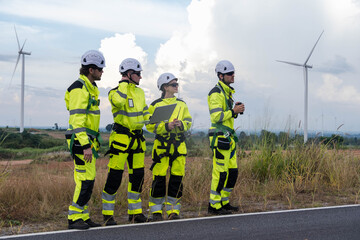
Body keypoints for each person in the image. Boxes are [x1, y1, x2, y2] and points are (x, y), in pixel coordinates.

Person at [102, 58, 150, 225]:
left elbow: (146, 115)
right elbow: (120, 101)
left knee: (137, 177)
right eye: (138, 74)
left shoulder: (140, 93)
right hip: (121, 141)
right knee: (114, 178)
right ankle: (107, 215)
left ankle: (135, 213)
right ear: (129, 74)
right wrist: (123, 83)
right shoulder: (114, 92)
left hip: (137, 141)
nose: (141, 78)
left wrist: (160, 122)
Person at [65, 50, 105, 229]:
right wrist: (86, 145)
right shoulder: (79, 88)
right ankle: (74, 218)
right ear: (91, 70)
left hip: (87, 141)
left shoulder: (91, 88)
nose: (102, 72)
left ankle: (83, 216)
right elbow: (77, 122)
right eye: (100, 69)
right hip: (81, 141)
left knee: (89, 179)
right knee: (84, 181)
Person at [146, 73, 192, 221]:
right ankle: (156, 212)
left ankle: (174, 211)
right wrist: (166, 126)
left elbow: (189, 122)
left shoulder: (182, 104)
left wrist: (181, 124)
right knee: (158, 180)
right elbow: (149, 125)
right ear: (165, 87)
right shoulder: (155, 105)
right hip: (161, 147)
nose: (176, 87)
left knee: (176, 180)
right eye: (173, 84)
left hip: (179, 147)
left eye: (177, 84)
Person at [207, 60, 245, 215]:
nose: (233, 75)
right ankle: (214, 206)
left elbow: (226, 115)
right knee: (221, 173)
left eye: (233, 72)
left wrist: (235, 110)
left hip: (228, 136)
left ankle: (224, 201)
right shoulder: (216, 93)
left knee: (232, 172)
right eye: (230, 73)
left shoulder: (227, 92)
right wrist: (233, 111)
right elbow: (216, 116)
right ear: (221, 76)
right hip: (220, 136)